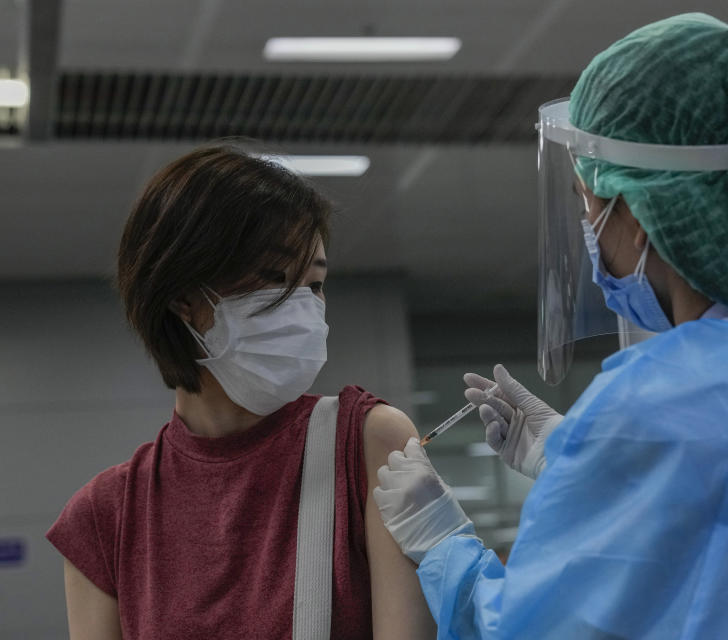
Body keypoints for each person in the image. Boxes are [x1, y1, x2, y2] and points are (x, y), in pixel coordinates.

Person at [372, 13, 728, 639]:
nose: (591, 232)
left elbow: (538, 628)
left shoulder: (661, 405)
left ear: (642, 213)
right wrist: (585, 469)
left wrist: (443, 543)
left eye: (588, 206)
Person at [47, 144, 436, 639]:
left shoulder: (365, 444)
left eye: (314, 284)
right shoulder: (105, 516)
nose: (299, 307)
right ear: (182, 296)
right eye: (273, 277)